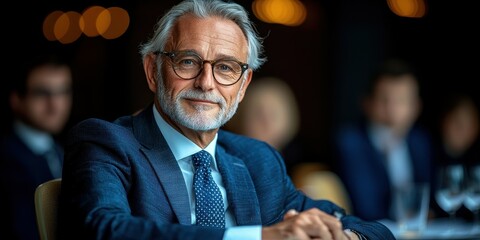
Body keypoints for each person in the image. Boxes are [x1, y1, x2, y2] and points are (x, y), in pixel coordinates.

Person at [58, 0, 395, 239]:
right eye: (188, 62)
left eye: (225, 67)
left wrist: (347, 238)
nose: (206, 83)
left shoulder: (258, 159)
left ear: (244, 85)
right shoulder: (105, 142)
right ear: (152, 71)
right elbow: (104, 230)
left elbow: (374, 229)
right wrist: (258, 238)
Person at [332, 58, 433, 221]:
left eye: (401, 101)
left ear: (416, 107)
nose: (392, 110)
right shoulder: (350, 143)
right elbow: (366, 208)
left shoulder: (420, 142)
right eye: (384, 100)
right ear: (366, 103)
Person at [0, 53, 73, 240]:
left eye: (63, 91)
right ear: (17, 99)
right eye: (42, 93)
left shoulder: (61, 151)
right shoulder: (5, 158)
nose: (56, 105)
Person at [431, 93, 480, 221]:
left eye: (469, 124)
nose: (463, 129)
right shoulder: (425, 156)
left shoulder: (475, 161)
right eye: (457, 122)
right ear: (444, 121)